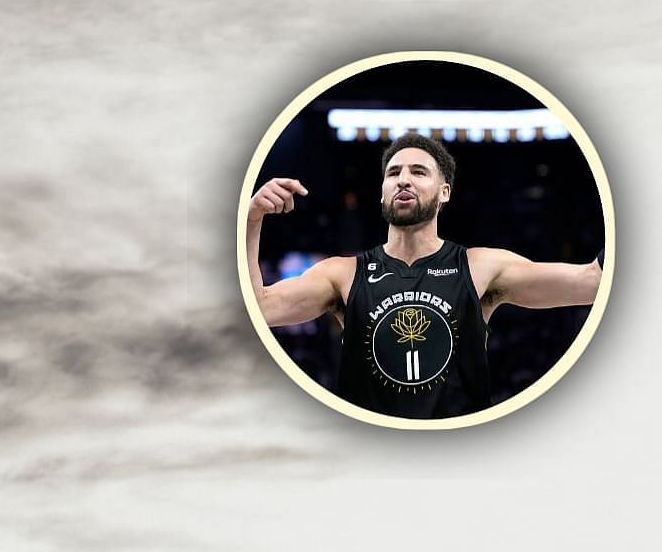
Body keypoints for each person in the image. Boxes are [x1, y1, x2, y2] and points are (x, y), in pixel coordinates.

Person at [247, 133, 604, 418]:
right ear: (383, 193)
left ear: (444, 192)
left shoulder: (482, 267)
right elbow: (259, 309)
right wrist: (251, 220)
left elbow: (592, 283)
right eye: (393, 173)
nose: (403, 179)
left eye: (419, 172)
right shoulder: (342, 273)